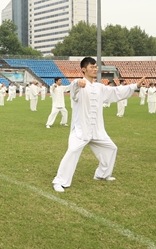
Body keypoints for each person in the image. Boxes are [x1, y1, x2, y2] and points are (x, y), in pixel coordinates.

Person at [52, 57, 144, 193]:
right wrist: (79, 83)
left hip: (97, 130)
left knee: (111, 148)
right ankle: (59, 181)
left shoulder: (99, 87)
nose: (95, 69)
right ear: (83, 70)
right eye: (92, 67)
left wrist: (135, 86)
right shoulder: (78, 84)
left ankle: (102, 174)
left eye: (96, 67)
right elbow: (74, 88)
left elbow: (116, 92)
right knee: (72, 151)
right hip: (81, 129)